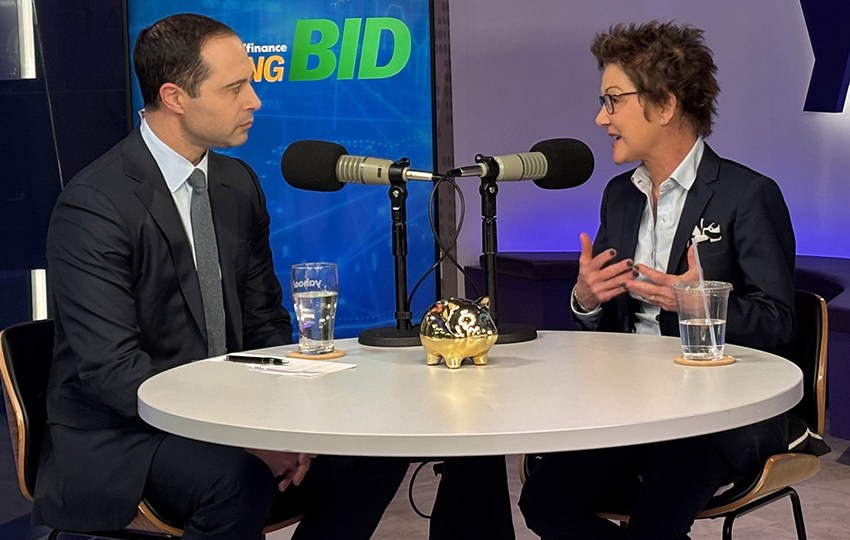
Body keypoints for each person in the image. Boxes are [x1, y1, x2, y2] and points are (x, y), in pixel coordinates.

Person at [31, 13, 407, 539]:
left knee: (376, 450)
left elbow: (264, 322)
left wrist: (289, 423)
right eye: (235, 88)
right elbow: (113, 372)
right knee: (236, 479)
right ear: (174, 97)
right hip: (124, 433)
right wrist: (238, 438)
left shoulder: (236, 183)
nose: (255, 101)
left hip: (229, 412)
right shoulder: (95, 206)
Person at [518, 21, 795, 540]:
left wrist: (695, 304)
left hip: (715, 413)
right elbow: (604, 329)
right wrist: (586, 300)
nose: (601, 118)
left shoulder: (748, 195)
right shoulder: (620, 195)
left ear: (665, 106)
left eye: (613, 100)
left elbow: (778, 323)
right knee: (544, 502)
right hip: (627, 406)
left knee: (655, 521)